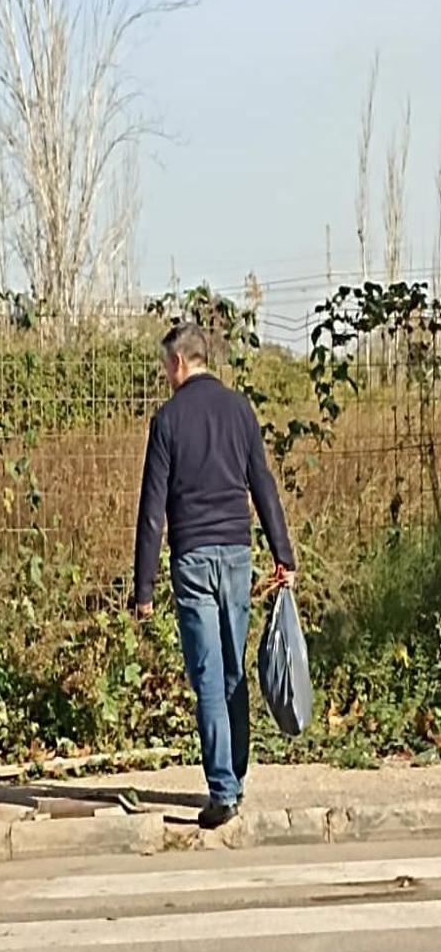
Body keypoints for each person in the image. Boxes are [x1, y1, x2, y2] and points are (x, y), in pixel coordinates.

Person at [133, 320, 297, 829]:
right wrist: (283, 553)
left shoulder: (167, 421)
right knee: (231, 671)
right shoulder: (240, 409)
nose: (165, 375)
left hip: (193, 561)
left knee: (206, 672)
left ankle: (222, 789)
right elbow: (262, 483)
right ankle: (236, 776)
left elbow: (152, 509)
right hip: (236, 552)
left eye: (166, 366)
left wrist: (143, 588)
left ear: (179, 362)